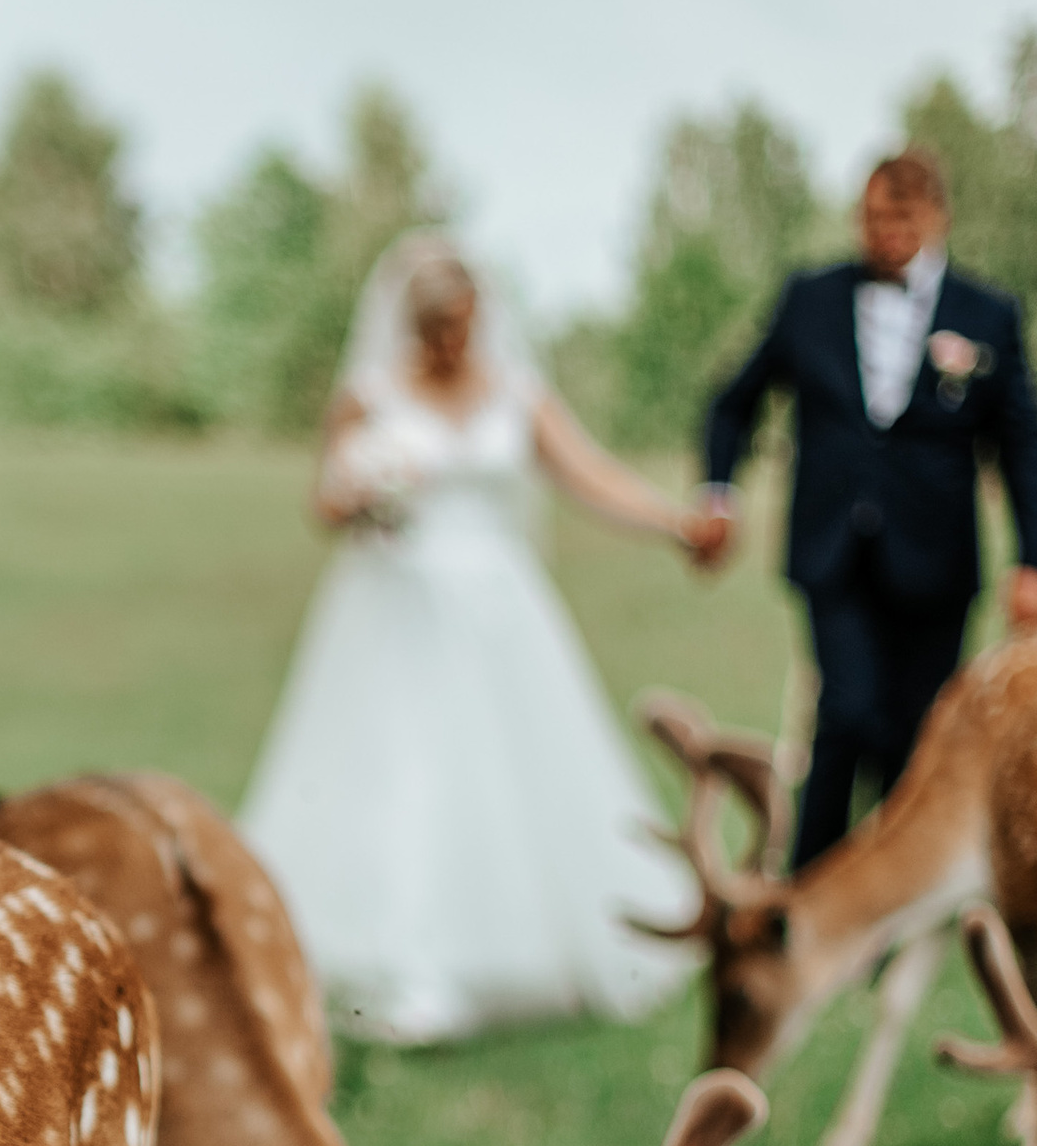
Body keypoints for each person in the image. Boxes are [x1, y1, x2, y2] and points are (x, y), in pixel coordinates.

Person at [238, 233, 719, 1044]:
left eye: (462, 326)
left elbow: (588, 473)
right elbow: (323, 500)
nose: (451, 343)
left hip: (501, 612)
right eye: (436, 331)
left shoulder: (515, 393)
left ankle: (537, 948)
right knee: (407, 777)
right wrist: (360, 498)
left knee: (516, 773)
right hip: (395, 612)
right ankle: (414, 966)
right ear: (409, 325)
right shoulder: (369, 393)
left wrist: (673, 522)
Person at [701, 147, 1037, 867]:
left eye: (903, 218)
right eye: (875, 216)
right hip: (833, 551)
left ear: (938, 217)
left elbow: (1021, 447)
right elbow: (733, 403)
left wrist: (1032, 560)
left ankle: (889, 898)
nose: (885, 232)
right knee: (848, 712)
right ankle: (811, 880)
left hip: (937, 559)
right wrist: (719, 492)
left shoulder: (989, 313)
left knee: (915, 734)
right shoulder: (811, 297)